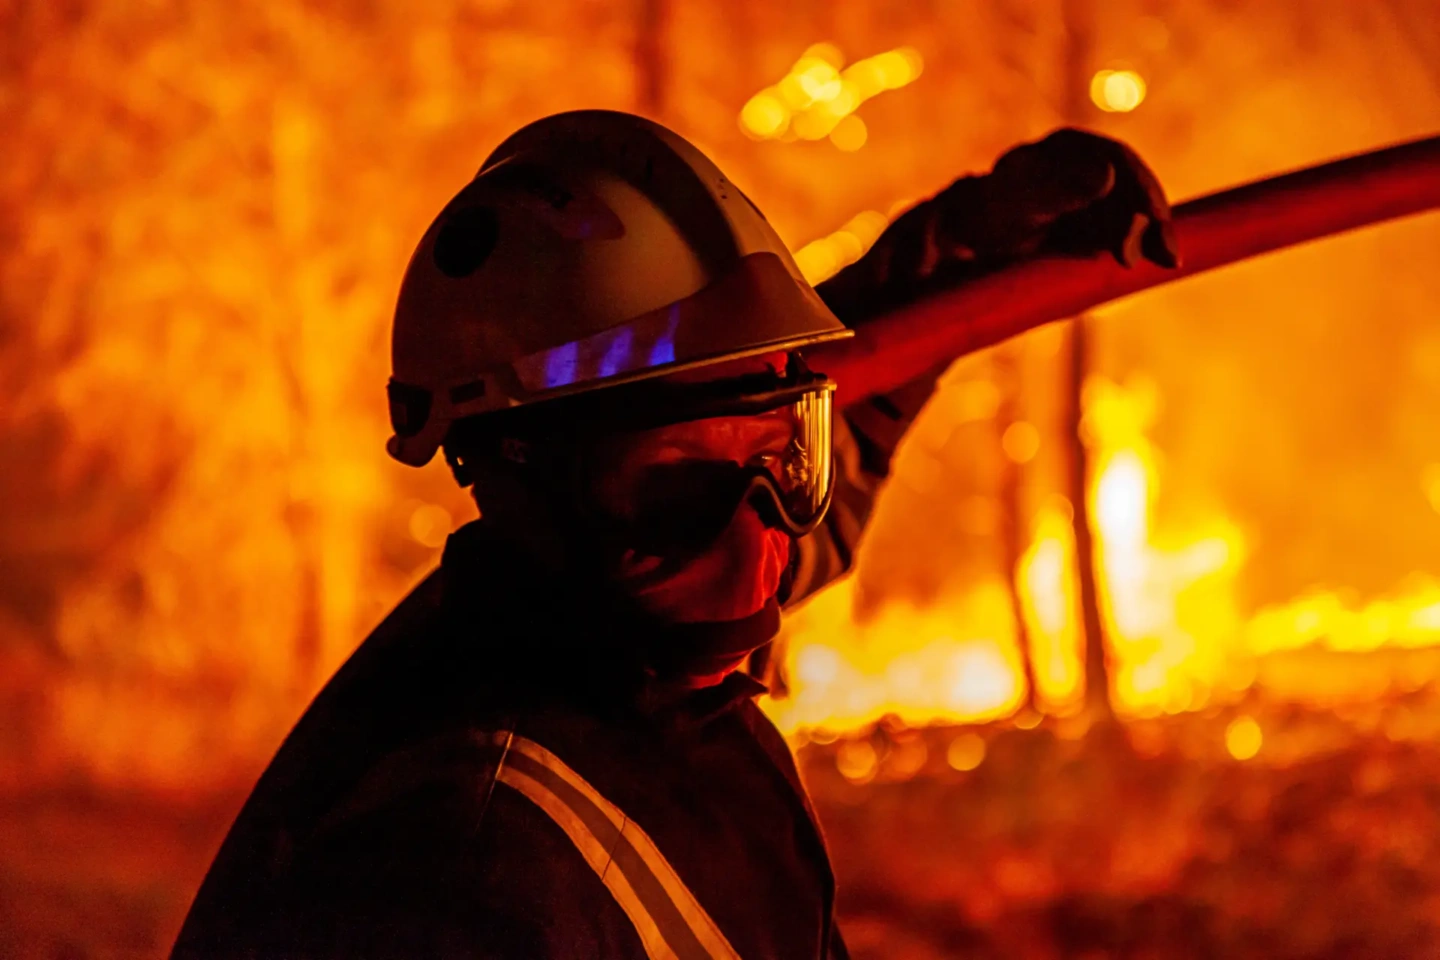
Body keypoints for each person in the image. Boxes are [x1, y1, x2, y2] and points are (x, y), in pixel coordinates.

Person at [171, 110, 1176, 959]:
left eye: (783, 459)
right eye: (678, 483)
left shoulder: (605, 629)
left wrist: (965, 251)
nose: (759, 550)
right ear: (520, 479)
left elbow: (809, 429)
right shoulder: (467, 870)